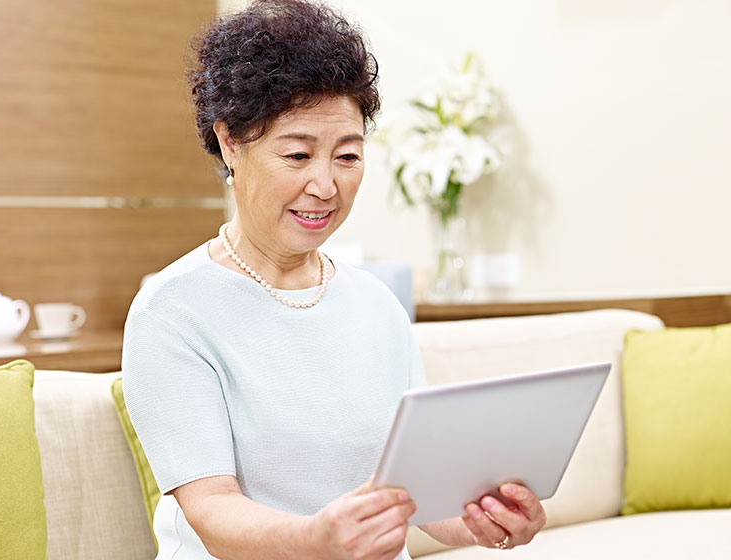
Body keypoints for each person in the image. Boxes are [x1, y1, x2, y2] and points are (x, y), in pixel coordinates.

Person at [122, 1, 546, 559]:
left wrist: (485, 521)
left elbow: (413, 488)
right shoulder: (173, 310)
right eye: (297, 155)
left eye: (347, 156)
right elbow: (211, 511)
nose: (325, 185)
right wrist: (314, 540)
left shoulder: (376, 303)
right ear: (230, 144)